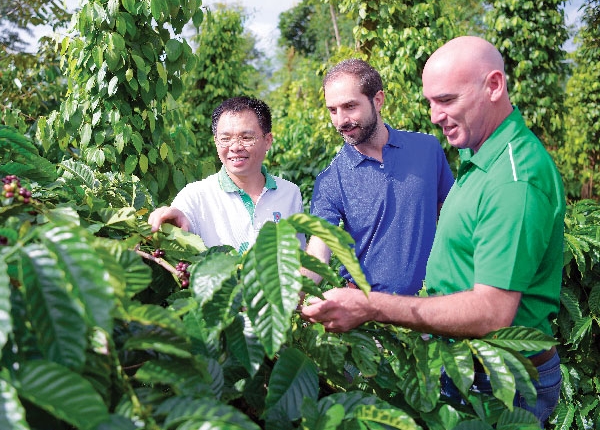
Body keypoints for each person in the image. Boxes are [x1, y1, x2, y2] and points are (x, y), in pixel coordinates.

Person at [300, 36, 565, 427]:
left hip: (495, 370)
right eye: (332, 110)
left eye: (446, 100)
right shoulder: (476, 154)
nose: (435, 115)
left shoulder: (501, 175)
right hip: (424, 345)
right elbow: (317, 254)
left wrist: (373, 306)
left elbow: (492, 311)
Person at [305, 58, 454, 295]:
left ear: (378, 100)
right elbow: (318, 251)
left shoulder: (427, 149)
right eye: (333, 110)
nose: (341, 121)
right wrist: (285, 301)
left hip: (433, 304)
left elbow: (452, 218)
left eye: (350, 106)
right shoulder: (331, 180)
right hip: (371, 318)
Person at [148, 96, 305, 253]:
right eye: (225, 138)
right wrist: (168, 220)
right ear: (216, 142)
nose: (235, 147)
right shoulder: (194, 196)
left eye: (246, 137)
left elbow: (297, 259)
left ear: (268, 141)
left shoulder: (290, 193)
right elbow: (180, 218)